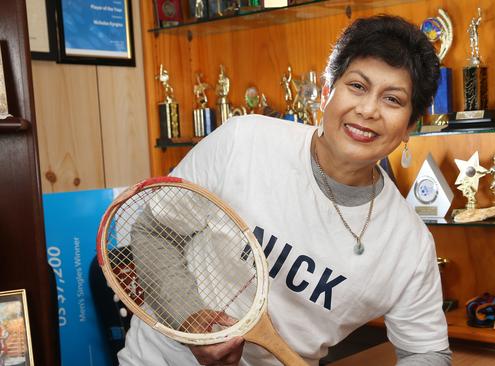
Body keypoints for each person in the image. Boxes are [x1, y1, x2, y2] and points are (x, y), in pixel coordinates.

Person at [118, 14, 450, 366]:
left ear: (410, 126)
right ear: (326, 92)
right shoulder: (243, 141)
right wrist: (191, 319)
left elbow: (426, 351)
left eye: (393, 100)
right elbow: (154, 232)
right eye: (357, 86)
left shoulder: (409, 246)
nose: (367, 110)